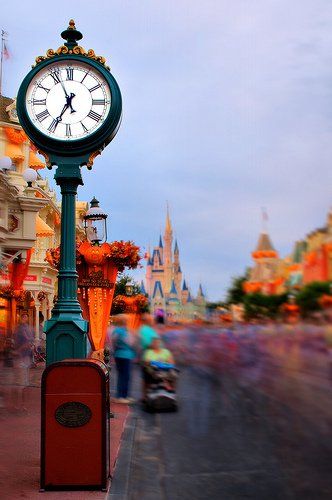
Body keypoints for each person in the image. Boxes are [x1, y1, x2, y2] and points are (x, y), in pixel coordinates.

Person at [112, 314, 136, 404]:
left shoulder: (116, 331)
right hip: (126, 355)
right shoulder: (123, 331)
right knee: (125, 376)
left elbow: (114, 343)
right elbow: (130, 342)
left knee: (122, 376)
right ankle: (122, 396)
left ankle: (122, 395)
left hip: (119, 354)